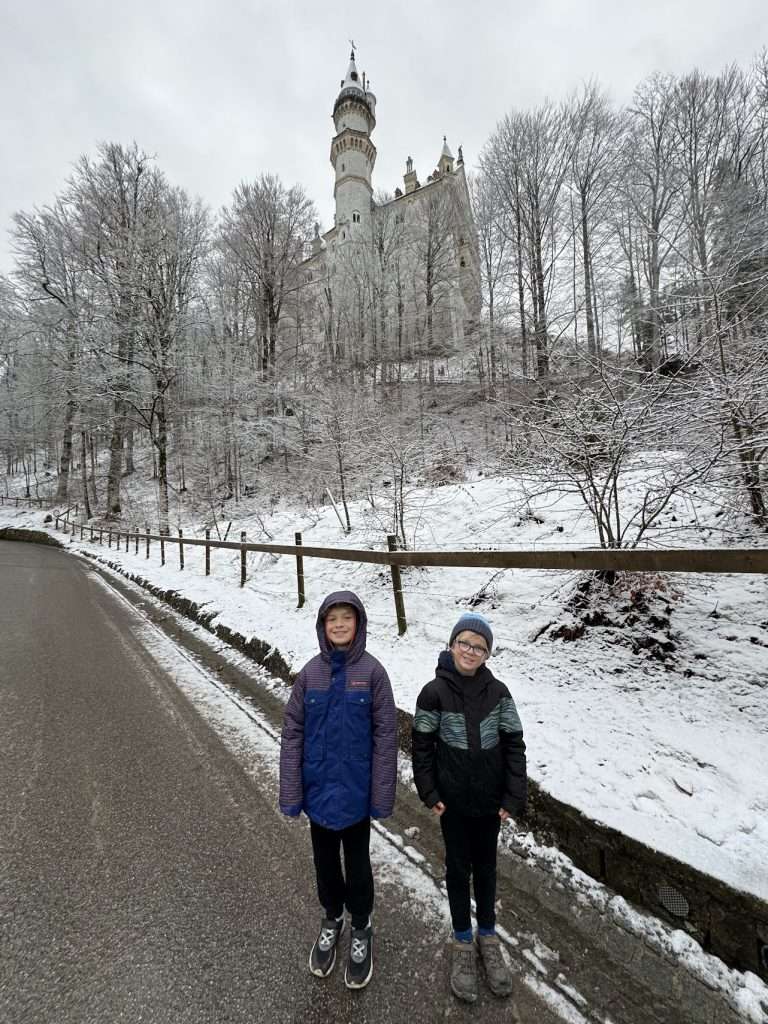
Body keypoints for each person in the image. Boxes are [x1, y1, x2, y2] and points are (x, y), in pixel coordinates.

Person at [279, 591, 397, 990]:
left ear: (358, 623)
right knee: (325, 864)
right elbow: (292, 733)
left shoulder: (374, 674)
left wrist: (380, 795)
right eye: (333, 619)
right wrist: (293, 793)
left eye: (347, 618)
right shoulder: (309, 674)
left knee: (358, 865)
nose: (340, 625)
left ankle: (361, 925)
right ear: (323, 626)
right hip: (318, 795)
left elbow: (386, 736)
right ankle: (333, 918)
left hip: (356, 797)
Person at [411, 612, 526, 1004]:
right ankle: (463, 940)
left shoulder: (499, 694)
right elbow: (422, 747)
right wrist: (429, 792)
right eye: (465, 642)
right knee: (459, 870)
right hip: (454, 806)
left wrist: (512, 796)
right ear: (452, 645)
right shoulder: (433, 694)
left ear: (487, 654)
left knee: (488, 868)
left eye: (479, 646)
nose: (471, 651)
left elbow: (514, 745)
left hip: (490, 805)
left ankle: (488, 935)